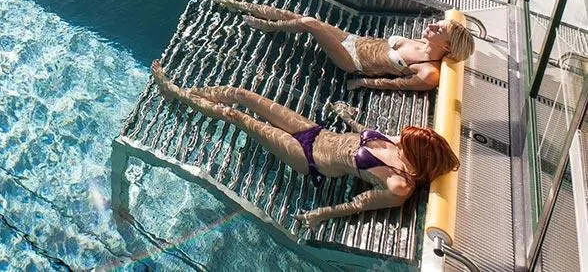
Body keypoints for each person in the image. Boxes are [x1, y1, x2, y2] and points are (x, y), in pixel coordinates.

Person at [151, 62, 459, 227]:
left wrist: (320, 214)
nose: (398, 140)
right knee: (243, 95)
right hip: (316, 132)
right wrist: (349, 118)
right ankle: (188, 92)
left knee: (236, 116)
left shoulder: (397, 185)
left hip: (306, 157)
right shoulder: (399, 144)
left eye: (405, 142)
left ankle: (175, 93)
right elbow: (367, 133)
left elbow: (358, 205)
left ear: (418, 156)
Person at [211, 0, 474, 91]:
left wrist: (362, 83)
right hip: (354, 40)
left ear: (448, 48)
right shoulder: (421, 42)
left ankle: (270, 27)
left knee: (311, 23)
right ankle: (241, 6)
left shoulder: (428, 72)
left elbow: (396, 83)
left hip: (353, 62)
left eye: (442, 29)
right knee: (298, 17)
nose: (436, 25)